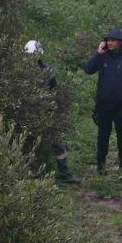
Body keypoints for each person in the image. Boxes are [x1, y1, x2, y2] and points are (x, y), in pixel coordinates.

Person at [84, 28, 122, 174]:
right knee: (103, 134)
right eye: (108, 40)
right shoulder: (102, 57)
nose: (110, 43)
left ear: (120, 42)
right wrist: (98, 53)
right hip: (104, 105)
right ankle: (101, 164)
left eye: (113, 40)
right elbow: (88, 70)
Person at [23, 40, 80, 184]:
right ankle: (32, 175)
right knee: (29, 145)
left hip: (47, 112)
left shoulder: (47, 70)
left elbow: (54, 90)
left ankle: (65, 173)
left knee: (57, 144)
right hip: (29, 113)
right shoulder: (21, 71)